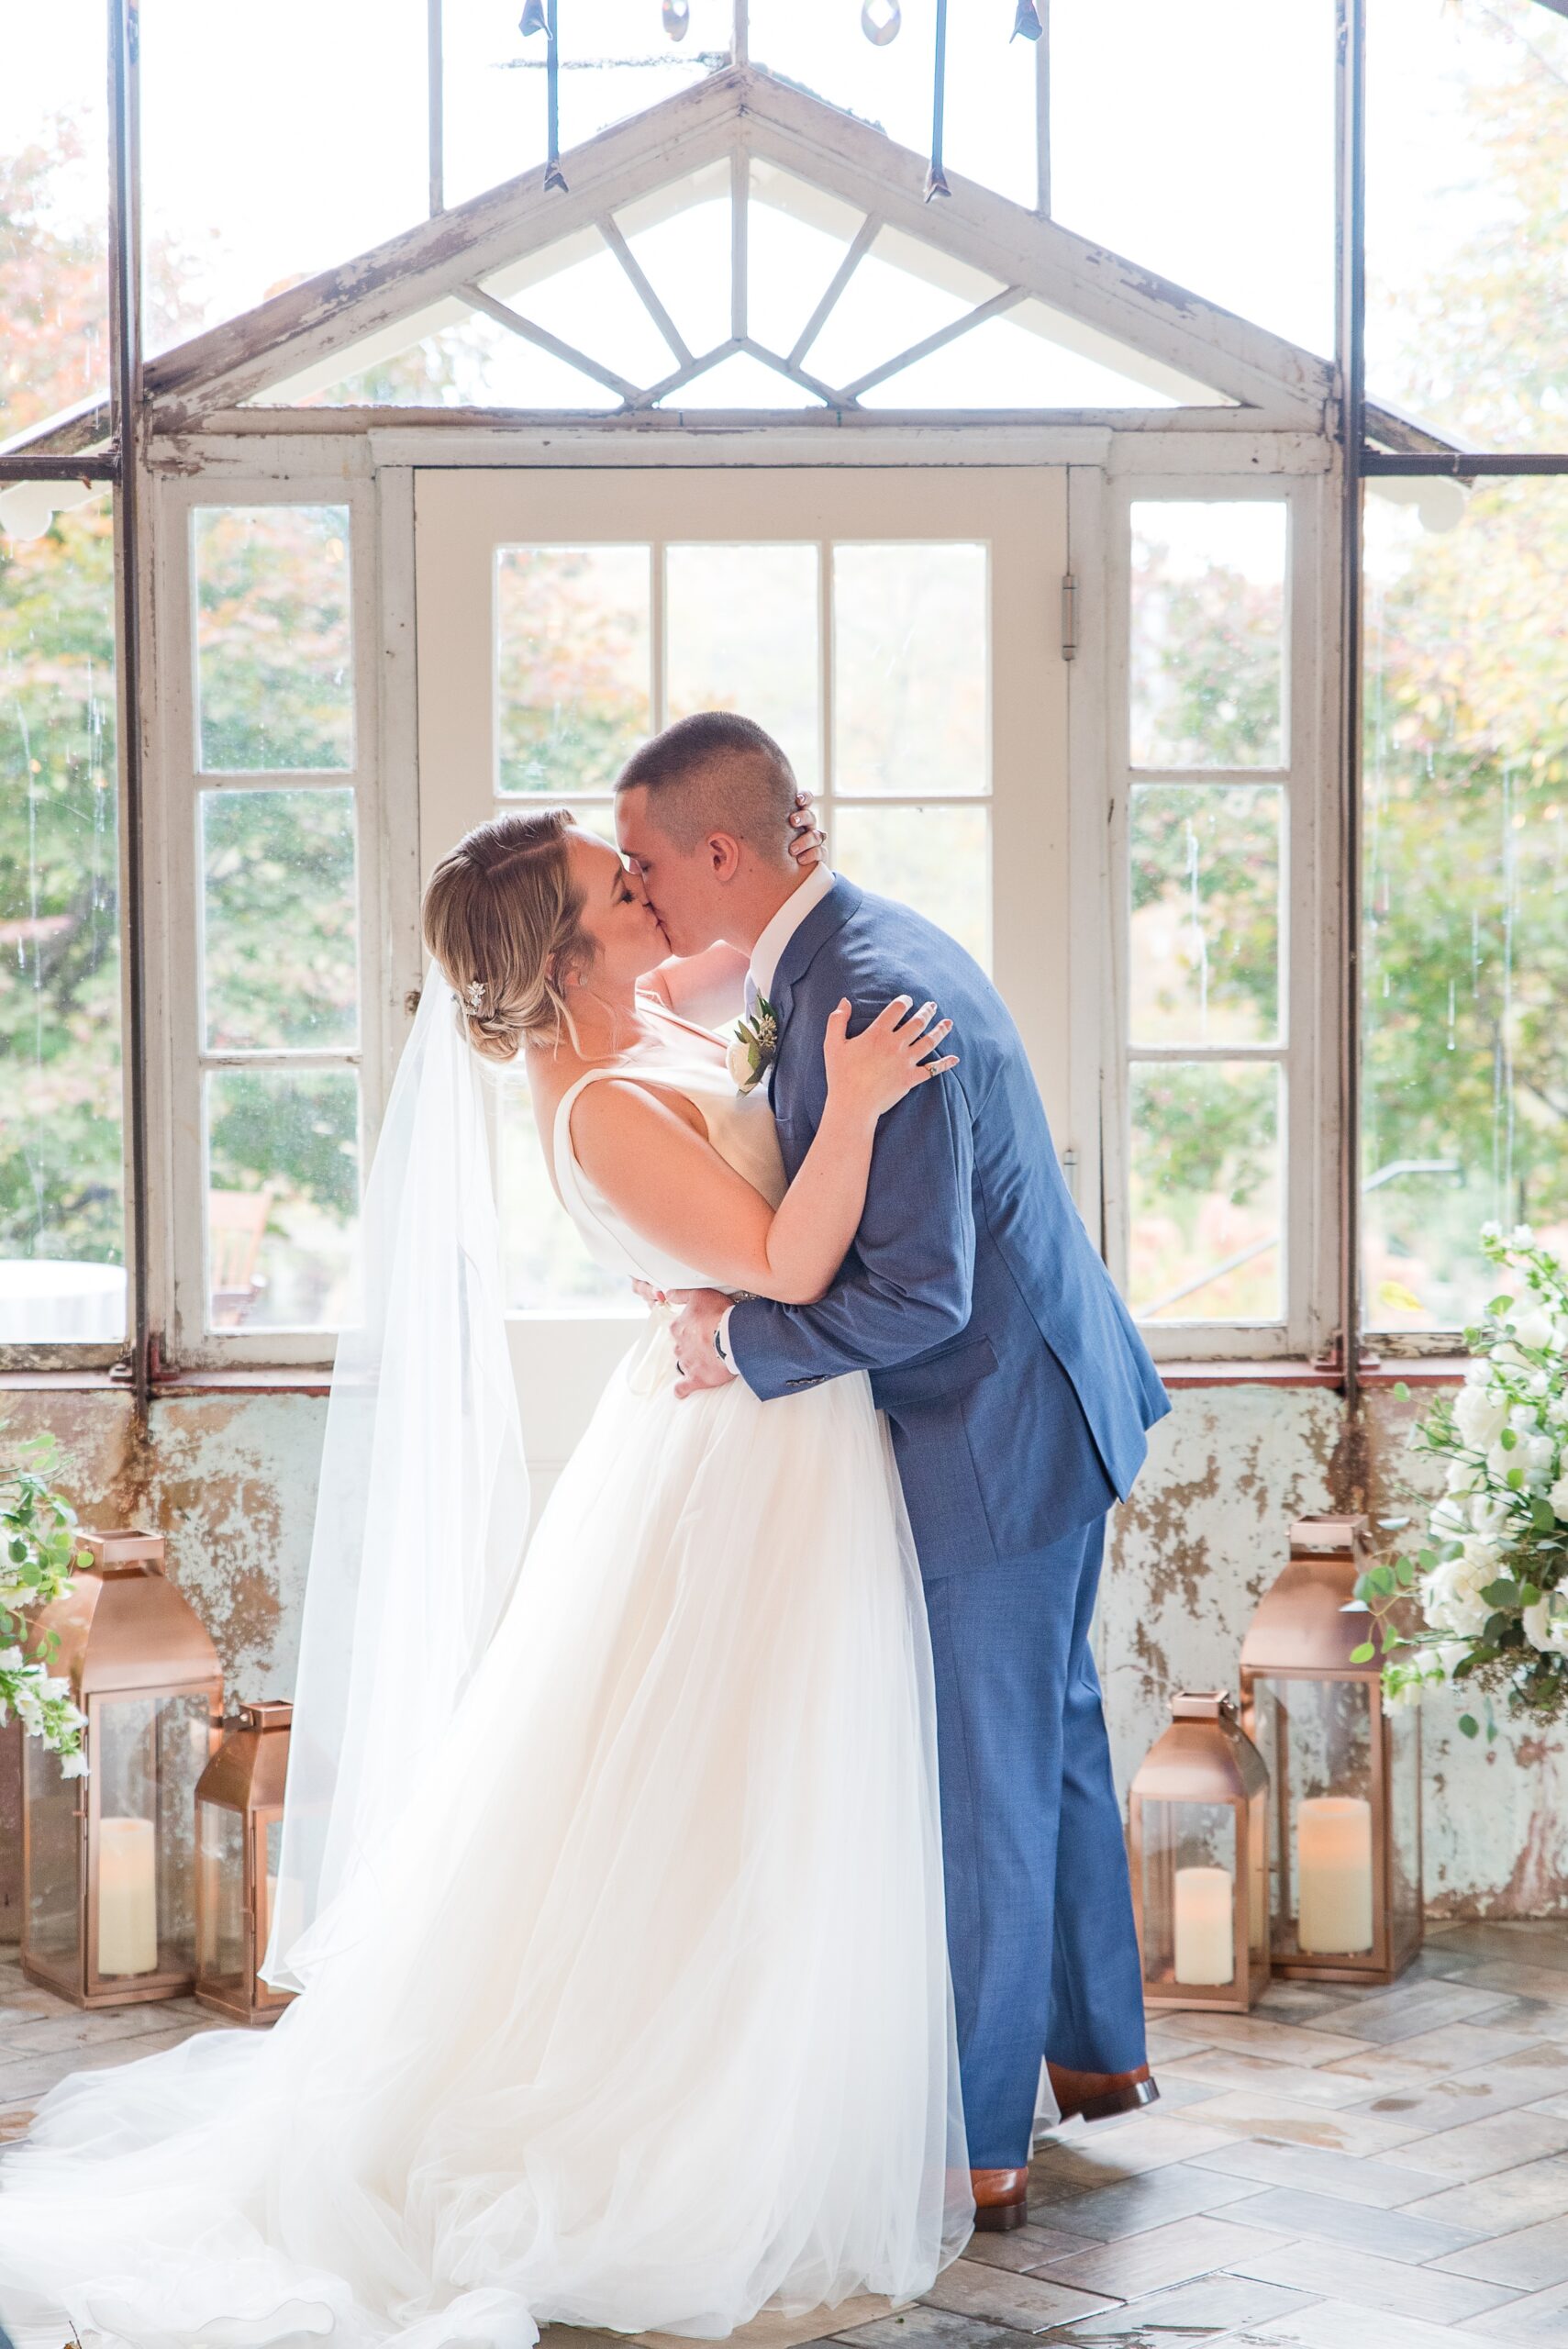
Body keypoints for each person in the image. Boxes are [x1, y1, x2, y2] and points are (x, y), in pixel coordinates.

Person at [0, 805, 973, 2346]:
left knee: (757, 1784)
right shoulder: (592, 1108)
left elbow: (735, 980)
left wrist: (787, 873)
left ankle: (761, 2088)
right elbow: (785, 1266)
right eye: (616, 884)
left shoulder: (637, 1021)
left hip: (775, 1434)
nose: (646, 890)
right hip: (743, 1462)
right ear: (567, 950)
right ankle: (667, 2120)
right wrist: (851, 1106)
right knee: (723, 1786)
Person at [615, 712, 1172, 2234]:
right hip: (1049, 1393)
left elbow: (918, 1294)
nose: (634, 887)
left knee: (986, 1772)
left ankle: (977, 2138)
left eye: (645, 862)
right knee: (1044, 1732)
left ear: (719, 851)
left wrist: (736, 1338)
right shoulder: (840, 951)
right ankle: (1094, 2056)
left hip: (993, 1423)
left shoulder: (861, 991)